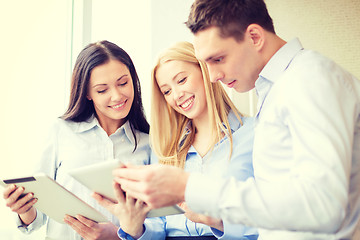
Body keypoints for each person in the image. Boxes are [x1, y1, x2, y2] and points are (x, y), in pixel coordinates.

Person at [110, 0, 360, 239]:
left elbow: (324, 205)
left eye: (217, 59)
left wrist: (189, 187)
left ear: (254, 37)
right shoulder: (276, 90)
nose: (213, 76)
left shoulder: (309, 79)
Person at [94, 41, 258, 240]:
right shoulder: (164, 148)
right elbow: (157, 226)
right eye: (167, 91)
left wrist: (219, 221)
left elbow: (275, 214)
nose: (177, 96)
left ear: (205, 71)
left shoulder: (254, 133)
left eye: (181, 80)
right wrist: (136, 228)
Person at [2, 40, 152, 240]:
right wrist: (24, 209)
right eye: (102, 90)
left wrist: (117, 235)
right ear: (87, 93)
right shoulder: (61, 131)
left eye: (123, 83)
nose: (116, 96)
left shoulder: (149, 143)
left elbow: (158, 224)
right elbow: (37, 218)